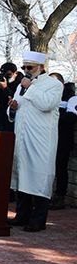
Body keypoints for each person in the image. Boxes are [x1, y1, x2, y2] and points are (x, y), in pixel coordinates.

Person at [6, 51, 63, 232]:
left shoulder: (54, 84)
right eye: (24, 67)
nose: (26, 70)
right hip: (21, 138)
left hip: (41, 140)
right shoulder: (22, 86)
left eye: (29, 67)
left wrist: (30, 88)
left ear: (41, 67)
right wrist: (13, 108)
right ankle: (22, 215)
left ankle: (38, 220)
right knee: (21, 176)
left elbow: (46, 104)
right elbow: (15, 112)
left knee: (38, 177)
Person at [48, 75, 76, 210]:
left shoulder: (71, 98)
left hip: (63, 139)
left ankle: (60, 196)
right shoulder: (49, 95)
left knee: (60, 168)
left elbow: (71, 117)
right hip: (49, 137)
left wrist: (54, 115)